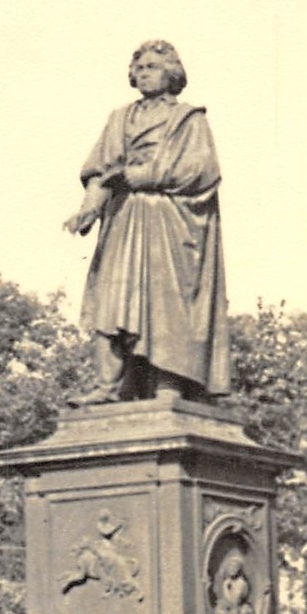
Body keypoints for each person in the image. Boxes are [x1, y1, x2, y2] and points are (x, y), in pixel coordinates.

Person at [65, 40, 230, 404]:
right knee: (111, 297)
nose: (143, 74)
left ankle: (169, 385)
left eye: (152, 67)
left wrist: (137, 175)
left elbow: (199, 171)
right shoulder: (119, 118)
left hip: (170, 222)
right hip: (123, 219)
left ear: (171, 73)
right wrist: (90, 208)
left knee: (166, 302)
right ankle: (108, 386)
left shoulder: (189, 119)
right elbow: (100, 171)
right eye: (139, 68)